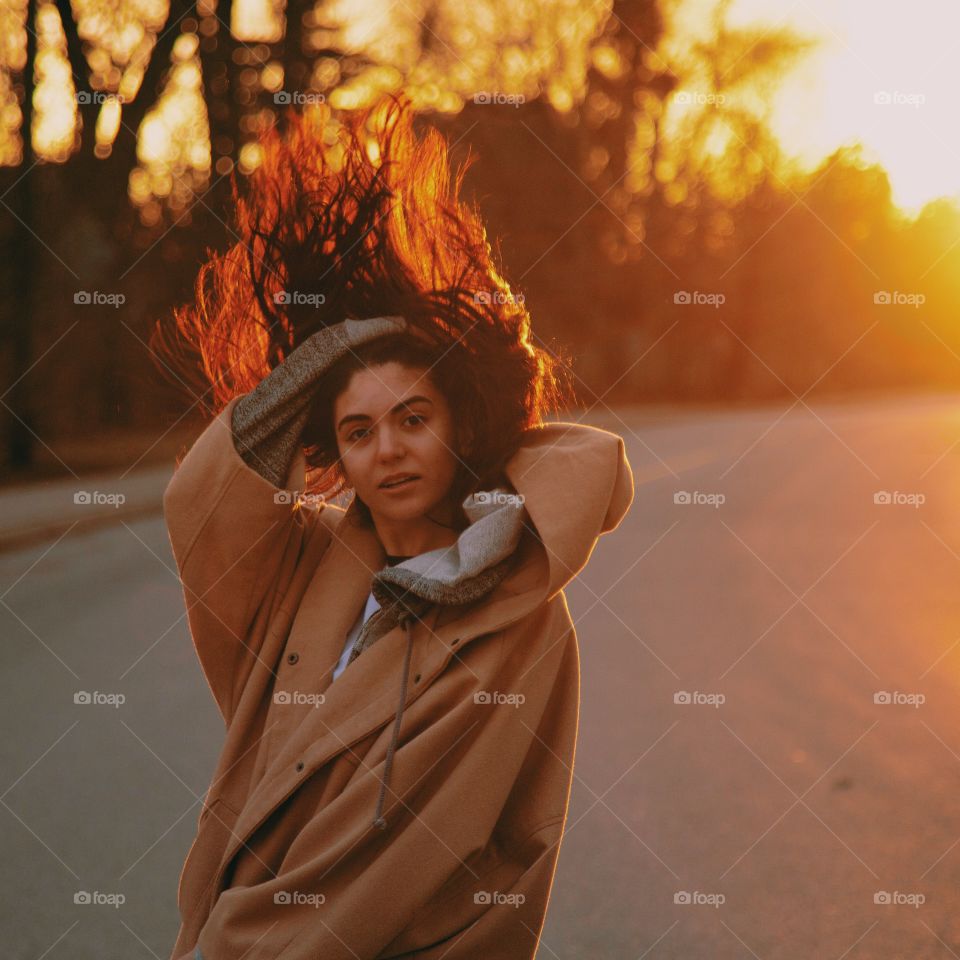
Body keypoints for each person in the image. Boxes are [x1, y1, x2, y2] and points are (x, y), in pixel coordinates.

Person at [156, 92, 634, 960]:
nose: (389, 451)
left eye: (414, 418)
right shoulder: (304, 565)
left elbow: (421, 851)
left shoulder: (517, 610)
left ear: (460, 426)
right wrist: (333, 353)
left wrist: (252, 939)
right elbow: (204, 510)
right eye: (357, 430)